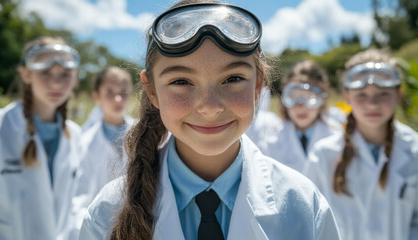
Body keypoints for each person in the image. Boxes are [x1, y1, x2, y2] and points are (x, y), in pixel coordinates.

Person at [79, 1, 340, 239]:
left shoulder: (305, 207)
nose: (210, 107)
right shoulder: (105, 214)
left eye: (233, 79)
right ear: (152, 92)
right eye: (181, 81)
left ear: (258, 85)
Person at [305, 48, 418, 240]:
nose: (372, 104)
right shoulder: (323, 154)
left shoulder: (414, 149)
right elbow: (308, 218)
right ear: (347, 97)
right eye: (362, 95)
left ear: (398, 94)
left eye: (383, 94)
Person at [0, 36, 81, 239]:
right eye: (46, 73)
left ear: (75, 78)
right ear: (26, 74)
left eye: (65, 74)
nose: (56, 83)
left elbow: (71, 206)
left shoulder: (75, 135)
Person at [68, 67, 137, 238]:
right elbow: (79, 197)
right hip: (99, 229)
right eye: (109, 92)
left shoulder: (144, 134)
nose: (118, 99)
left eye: (123, 92)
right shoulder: (84, 142)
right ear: (96, 96)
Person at [260, 60, 341, 173]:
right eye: (293, 97)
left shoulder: (337, 135)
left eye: (310, 98)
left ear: (322, 100)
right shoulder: (271, 140)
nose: (301, 106)